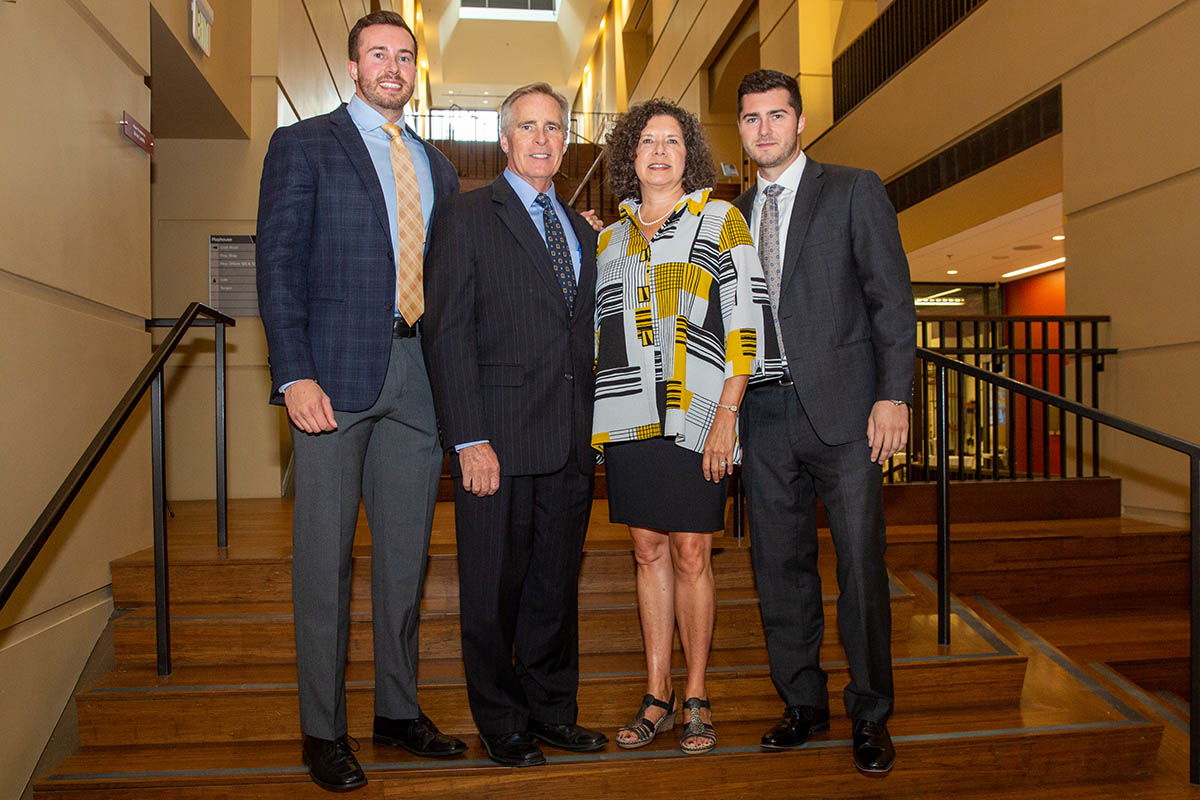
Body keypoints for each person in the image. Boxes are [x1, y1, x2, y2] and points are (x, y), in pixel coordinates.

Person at [256, 11, 466, 793]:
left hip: (418, 378)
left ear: (415, 71)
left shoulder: (438, 166)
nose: (393, 65)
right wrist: (292, 372)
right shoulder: (304, 144)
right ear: (353, 67)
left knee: (406, 559)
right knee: (323, 562)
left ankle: (397, 711)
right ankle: (323, 729)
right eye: (378, 53)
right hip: (331, 383)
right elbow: (278, 265)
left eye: (404, 55)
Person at [732, 69, 916, 774]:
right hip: (766, 416)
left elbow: (890, 300)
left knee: (861, 571)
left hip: (846, 413)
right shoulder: (734, 212)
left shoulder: (853, 189)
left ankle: (871, 713)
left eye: (777, 115)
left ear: (801, 122)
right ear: (743, 131)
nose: (765, 129)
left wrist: (893, 394)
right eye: (751, 119)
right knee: (779, 569)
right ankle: (802, 703)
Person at [422, 83, 607, 768]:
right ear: (504, 139)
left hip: (569, 440)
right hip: (495, 440)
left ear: (565, 140)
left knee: (555, 587)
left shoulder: (584, 230)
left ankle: (553, 711)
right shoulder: (467, 216)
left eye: (553, 128)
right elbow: (447, 334)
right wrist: (468, 438)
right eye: (526, 127)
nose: (540, 139)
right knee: (494, 589)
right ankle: (501, 720)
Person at [591, 99, 779, 756]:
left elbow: (746, 319)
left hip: (700, 413)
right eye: (647, 141)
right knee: (647, 550)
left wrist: (729, 412)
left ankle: (696, 692)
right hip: (628, 415)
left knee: (693, 552)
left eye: (673, 141)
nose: (660, 151)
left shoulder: (720, 220)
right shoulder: (609, 239)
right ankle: (657, 693)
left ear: (689, 154)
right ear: (630, 156)